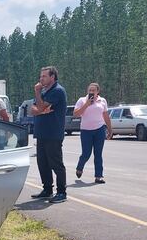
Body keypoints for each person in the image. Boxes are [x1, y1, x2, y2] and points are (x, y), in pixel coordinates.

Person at [30, 66, 68, 203]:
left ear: (52, 77)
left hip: (53, 133)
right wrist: (41, 109)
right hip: (41, 133)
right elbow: (32, 110)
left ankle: (62, 192)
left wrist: (37, 93)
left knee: (56, 163)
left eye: (44, 76)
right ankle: (47, 189)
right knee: (43, 163)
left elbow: (38, 107)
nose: (41, 79)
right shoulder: (45, 91)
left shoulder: (57, 91)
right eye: (40, 76)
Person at [73, 83, 113, 183]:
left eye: (93, 90)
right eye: (89, 90)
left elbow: (105, 115)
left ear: (97, 91)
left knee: (98, 154)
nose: (91, 92)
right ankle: (80, 167)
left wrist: (110, 129)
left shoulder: (102, 101)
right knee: (86, 153)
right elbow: (76, 114)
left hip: (99, 129)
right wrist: (86, 104)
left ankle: (98, 176)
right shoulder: (82, 100)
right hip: (86, 130)